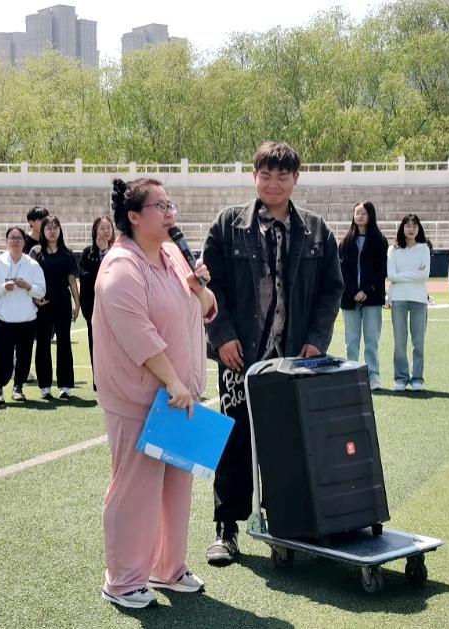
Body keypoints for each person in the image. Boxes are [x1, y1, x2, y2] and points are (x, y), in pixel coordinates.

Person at [201, 141, 342, 566]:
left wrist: (317, 339)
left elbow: (331, 290)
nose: (273, 183)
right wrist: (222, 336)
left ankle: (288, 524)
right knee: (233, 441)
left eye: (283, 175)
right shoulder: (227, 225)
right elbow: (210, 288)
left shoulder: (316, 230)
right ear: (254, 176)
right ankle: (226, 529)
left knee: (291, 443)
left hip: (293, 358)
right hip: (239, 357)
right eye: (266, 174)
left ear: (296, 178)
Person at [94, 177, 216, 609]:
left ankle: (168, 567)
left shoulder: (173, 255)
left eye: (171, 205)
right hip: (141, 398)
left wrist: (200, 287)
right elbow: (138, 334)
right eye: (160, 206)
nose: (170, 213)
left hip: (181, 398)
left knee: (177, 487)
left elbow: (204, 308)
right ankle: (123, 580)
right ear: (133, 216)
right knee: (135, 488)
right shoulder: (120, 268)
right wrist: (172, 381)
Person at [0, 226, 46, 405]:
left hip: (26, 318)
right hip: (4, 318)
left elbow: (41, 290)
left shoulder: (32, 265)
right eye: (12, 238)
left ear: (24, 242)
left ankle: (18, 386)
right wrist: (3, 287)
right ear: (6, 241)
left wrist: (28, 287)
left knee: (24, 355)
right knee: (2, 355)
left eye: (19, 238)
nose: (15, 241)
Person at [339, 201, 388, 390]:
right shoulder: (345, 242)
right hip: (350, 298)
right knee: (351, 342)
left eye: (363, 213)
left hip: (372, 298)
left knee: (371, 341)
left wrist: (366, 290)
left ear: (371, 216)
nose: (359, 216)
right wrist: (354, 291)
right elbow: (342, 269)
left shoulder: (379, 240)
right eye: (357, 212)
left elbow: (382, 269)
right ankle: (351, 376)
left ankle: (373, 376)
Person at [30, 216, 80, 401]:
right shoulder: (36, 252)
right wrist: (35, 298)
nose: (52, 231)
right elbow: (31, 278)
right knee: (43, 344)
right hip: (43, 304)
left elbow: (72, 280)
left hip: (63, 303)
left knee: (64, 343)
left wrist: (77, 303)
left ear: (60, 230)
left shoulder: (67, 254)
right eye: (48, 228)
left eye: (55, 227)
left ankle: (65, 386)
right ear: (43, 231)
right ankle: (45, 386)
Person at [387, 213, 430, 392]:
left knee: (418, 342)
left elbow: (424, 275)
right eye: (407, 225)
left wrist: (401, 276)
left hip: (419, 299)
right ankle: (401, 378)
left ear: (419, 228)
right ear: (402, 228)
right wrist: (413, 275)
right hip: (398, 299)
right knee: (400, 341)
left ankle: (417, 378)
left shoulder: (424, 248)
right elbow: (391, 275)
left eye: (414, 226)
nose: (411, 229)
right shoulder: (393, 249)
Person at [79, 215, 116, 390]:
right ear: (95, 231)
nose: (106, 231)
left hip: (116, 306)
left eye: (108, 227)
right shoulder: (88, 253)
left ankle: (117, 382)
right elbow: (87, 279)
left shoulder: (119, 250)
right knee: (96, 345)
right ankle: (99, 382)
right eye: (102, 228)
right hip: (94, 306)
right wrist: (102, 256)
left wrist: (107, 253)